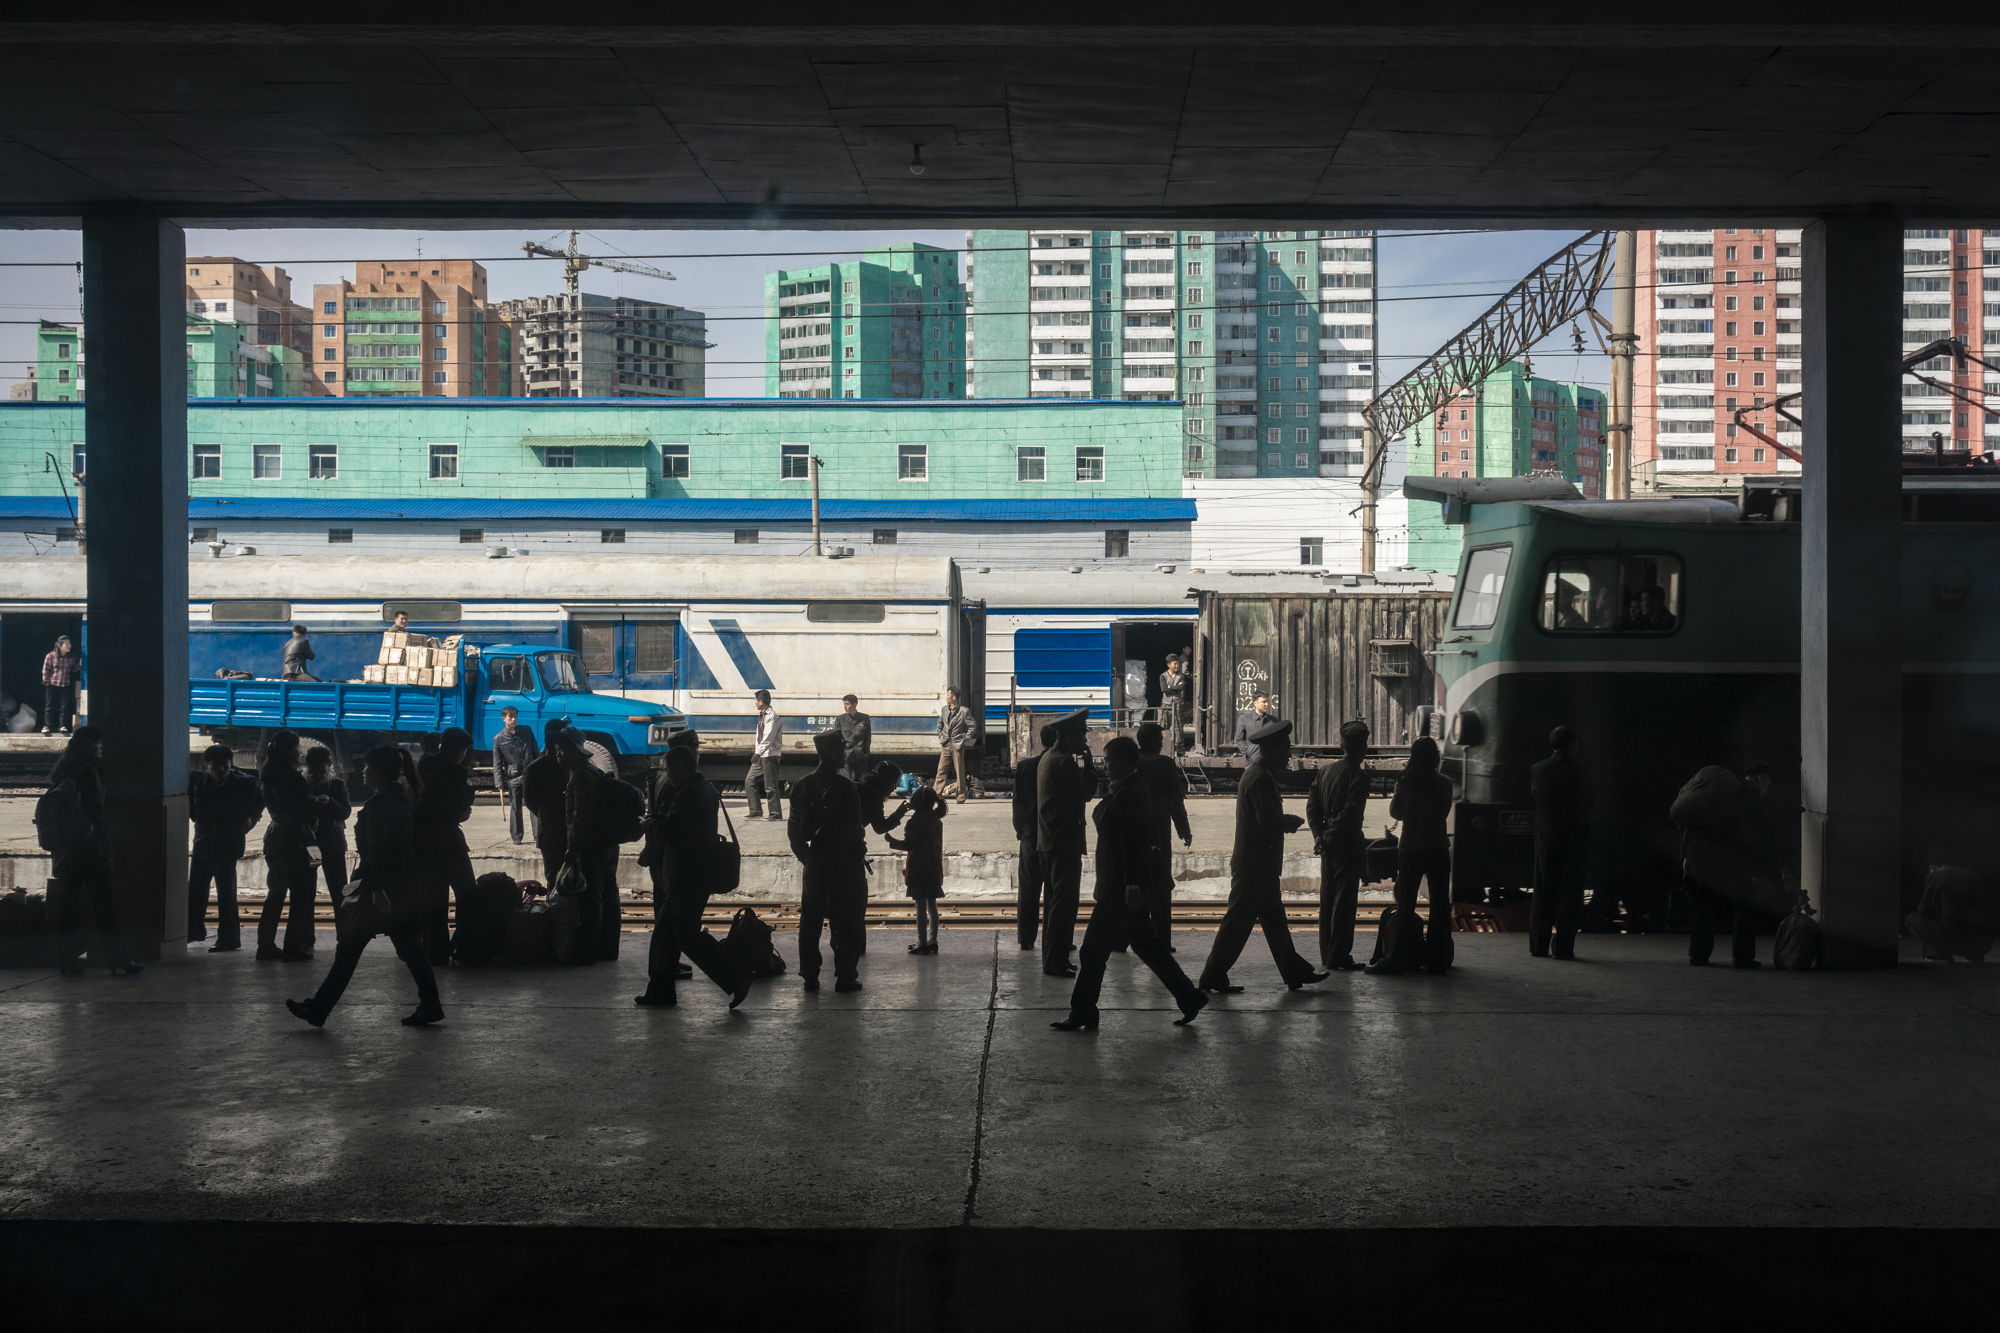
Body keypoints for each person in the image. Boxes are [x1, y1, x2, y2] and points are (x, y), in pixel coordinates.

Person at [1052, 735, 1208, 1031]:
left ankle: (1083, 1012)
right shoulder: (1125, 788)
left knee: (1092, 950)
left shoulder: (1130, 792)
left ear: (1123, 761)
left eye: (1108, 760)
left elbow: (1133, 842)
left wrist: (1131, 885)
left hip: (1120, 889)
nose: (1105, 765)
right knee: (1148, 947)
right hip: (1122, 885)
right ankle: (1190, 997)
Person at [285, 745, 442, 1028]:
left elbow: (380, 850)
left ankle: (319, 1009)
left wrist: (377, 888)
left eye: (367, 767)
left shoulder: (380, 805)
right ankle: (430, 1005)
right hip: (401, 884)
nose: (363, 772)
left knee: (351, 947)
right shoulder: (399, 796)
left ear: (380, 772)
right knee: (409, 948)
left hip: (379, 888)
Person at [1196, 717, 1328, 994]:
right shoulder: (1259, 778)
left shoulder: (1259, 774)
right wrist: (1289, 821)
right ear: (1275, 749)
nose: (1290, 755)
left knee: (1275, 922)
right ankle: (1211, 976)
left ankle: (1295, 973)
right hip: (1255, 865)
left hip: (1259, 864)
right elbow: (1267, 820)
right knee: (1236, 925)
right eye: (1287, 749)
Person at [635, 745, 755, 1009]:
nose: (668, 774)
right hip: (698, 875)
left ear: (678, 767)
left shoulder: (687, 792)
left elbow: (673, 829)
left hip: (685, 877)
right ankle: (660, 992)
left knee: (684, 937)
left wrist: (649, 824)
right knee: (666, 937)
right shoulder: (707, 789)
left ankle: (737, 977)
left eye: (669, 769)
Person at [48, 726, 140, 977]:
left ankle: (66, 961)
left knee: (70, 907)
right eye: (97, 742)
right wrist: (103, 844)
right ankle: (120, 960)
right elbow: (97, 813)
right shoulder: (87, 772)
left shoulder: (64, 770)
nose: (101, 747)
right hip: (89, 848)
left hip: (69, 849)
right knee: (104, 907)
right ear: (83, 746)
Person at [1682, 760, 1785, 969]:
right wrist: (1783, 867)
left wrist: (1685, 854)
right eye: (1767, 785)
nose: (1766, 791)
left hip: (1696, 846)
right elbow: (1764, 830)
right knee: (1745, 900)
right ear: (1761, 778)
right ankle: (1743, 957)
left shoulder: (1720, 789)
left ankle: (1698, 955)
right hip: (1721, 848)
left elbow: (1690, 818)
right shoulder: (1747, 792)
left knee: (1705, 897)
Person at [788, 728, 868, 992]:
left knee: (810, 922)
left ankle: (810, 975)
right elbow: (856, 830)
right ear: (832, 753)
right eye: (842, 750)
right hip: (844, 865)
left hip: (816, 862)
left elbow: (795, 832)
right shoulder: (847, 787)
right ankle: (845, 977)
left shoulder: (801, 785)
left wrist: (808, 860)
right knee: (846, 922)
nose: (845, 755)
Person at [1371, 736, 1454, 975]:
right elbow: (1443, 811)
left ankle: (1401, 956)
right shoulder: (1445, 783)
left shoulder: (1405, 782)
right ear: (1436, 758)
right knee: (1439, 906)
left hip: (1411, 849)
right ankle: (1438, 960)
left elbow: (1396, 812)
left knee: (1406, 905)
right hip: (1438, 848)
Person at [1036, 708, 1098, 978]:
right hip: (1063, 841)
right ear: (1071, 736)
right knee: (1064, 904)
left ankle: (1055, 958)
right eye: (1082, 735)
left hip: (1049, 840)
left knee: (1055, 903)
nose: (1085, 740)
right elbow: (1086, 793)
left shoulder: (1048, 758)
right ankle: (1055, 962)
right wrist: (1091, 766)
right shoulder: (1064, 762)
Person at [1307, 719, 1372, 971]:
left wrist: (1319, 836)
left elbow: (1312, 806)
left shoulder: (1325, 772)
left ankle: (1326, 954)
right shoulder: (1360, 776)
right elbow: (1350, 815)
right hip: (1347, 844)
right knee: (1344, 904)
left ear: (1341, 745)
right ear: (1363, 748)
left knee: (1327, 900)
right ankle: (1339, 956)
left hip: (1328, 846)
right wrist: (1328, 837)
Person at [186, 743, 261, 951]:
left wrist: (250, 819)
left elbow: (259, 802)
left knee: (226, 895)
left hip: (227, 846)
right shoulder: (197, 779)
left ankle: (228, 939)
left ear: (231, 764)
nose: (220, 770)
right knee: (195, 892)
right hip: (203, 844)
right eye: (216, 765)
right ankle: (193, 932)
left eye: (225, 765)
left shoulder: (244, 783)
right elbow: (191, 806)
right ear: (206, 764)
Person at [414, 727, 478, 966]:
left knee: (435, 900)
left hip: (423, 843)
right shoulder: (457, 775)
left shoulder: (425, 764)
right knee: (467, 896)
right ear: (461, 751)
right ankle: (466, 949)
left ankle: (436, 953)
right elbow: (459, 811)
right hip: (449, 841)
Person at [554, 726, 617, 965]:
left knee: (592, 899)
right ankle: (607, 949)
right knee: (605, 895)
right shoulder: (590, 771)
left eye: (562, 751)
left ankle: (587, 952)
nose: (558, 755)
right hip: (604, 844)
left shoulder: (580, 776)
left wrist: (573, 848)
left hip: (591, 847)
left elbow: (580, 817)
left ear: (574, 751)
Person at [256, 728, 319, 962]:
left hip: (275, 836)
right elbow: (301, 811)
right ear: (288, 751)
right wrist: (314, 820)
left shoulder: (268, 776)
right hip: (297, 838)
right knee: (301, 894)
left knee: (276, 893)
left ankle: (265, 945)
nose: (299, 752)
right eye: (296, 748)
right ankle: (293, 946)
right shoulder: (293, 779)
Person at [1529, 725, 1589, 960]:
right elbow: (1590, 801)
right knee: (1569, 897)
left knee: (1543, 895)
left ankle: (1538, 946)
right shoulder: (1581, 770)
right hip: (1574, 842)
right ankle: (1563, 948)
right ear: (1572, 744)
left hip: (1545, 842)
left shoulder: (1537, 769)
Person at [1134, 721, 1192, 949]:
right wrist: (1184, 830)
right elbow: (1174, 801)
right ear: (1151, 741)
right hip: (1159, 833)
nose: (1161, 743)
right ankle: (1161, 940)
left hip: (1135, 834)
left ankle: (1129, 938)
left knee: (1135, 884)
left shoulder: (1132, 762)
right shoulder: (1165, 764)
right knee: (1160, 887)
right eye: (1159, 739)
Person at [1012, 724, 1056, 952]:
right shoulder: (1060, 764)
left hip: (1029, 835)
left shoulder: (1025, 766)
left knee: (1028, 889)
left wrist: (1020, 830)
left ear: (1041, 741)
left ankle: (1026, 940)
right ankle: (1055, 938)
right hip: (1053, 838)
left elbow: (1017, 802)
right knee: (1054, 891)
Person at [890, 787, 948, 955]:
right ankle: (933, 941)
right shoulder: (937, 820)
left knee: (920, 906)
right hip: (933, 868)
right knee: (932, 905)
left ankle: (921, 942)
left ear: (916, 803)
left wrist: (892, 841)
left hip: (917, 869)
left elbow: (910, 845)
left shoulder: (914, 822)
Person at [1908, 859, 1997, 964]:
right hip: (1984, 944)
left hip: (1953, 943)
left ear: (1931, 867)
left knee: (1911, 919)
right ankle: (1974, 956)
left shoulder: (1935, 875)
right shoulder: (1975, 875)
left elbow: (1923, 911)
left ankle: (1939, 955)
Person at [521, 718, 571, 881]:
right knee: (559, 878)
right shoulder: (570, 767)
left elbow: (531, 802)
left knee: (555, 878)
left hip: (551, 832)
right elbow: (530, 802)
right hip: (558, 832)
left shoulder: (534, 769)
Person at [304, 745, 353, 912]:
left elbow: (345, 812)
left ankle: (344, 934)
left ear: (329, 768)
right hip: (309, 843)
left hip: (333, 842)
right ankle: (306, 936)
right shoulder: (301, 784)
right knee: (307, 891)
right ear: (306, 768)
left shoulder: (337, 785)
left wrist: (330, 803)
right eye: (313, 774)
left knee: (339, 890)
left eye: (322, 774)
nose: (318, 777)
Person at [492, 705, 539, 845]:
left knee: (535, 806)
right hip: (513, 777)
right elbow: (497, 763)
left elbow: (535, 752)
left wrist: (540, 770)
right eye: (510, 717)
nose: (514, 719)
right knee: (515, 808)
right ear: (504, 719)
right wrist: (499, 782)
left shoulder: (526, 730)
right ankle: (517, 837)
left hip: (530, 774)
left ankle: (538, 836)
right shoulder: (498, 739)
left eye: (515, 717)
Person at [937, 686, 978, 802]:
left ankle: (960, 796)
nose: (946, 697)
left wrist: (965, 737)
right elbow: (939, 724)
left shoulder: (964, 711)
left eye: (948, 695)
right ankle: (936, 794)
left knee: (959, 771)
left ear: (954, 697)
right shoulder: (945, 709)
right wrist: (940, 734)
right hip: (946, 743)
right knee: (941, 770)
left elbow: (972, 726)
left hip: (958, 744)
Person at [747, 689, 784, 820]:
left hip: (770, 754)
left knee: (770, 785)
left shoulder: (772, 716)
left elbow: (768, 737)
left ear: (761, 702)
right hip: (762, 754)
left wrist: (757, 752)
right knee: (750, 780)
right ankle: (756, 810)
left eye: (756, 700)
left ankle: (775, 814)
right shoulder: (763, 715)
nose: (755, 703)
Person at [859, 760, 910, 843]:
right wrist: (900, 812)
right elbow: (880, 827)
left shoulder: (861, 786)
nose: (894, 788)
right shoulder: (873, 797)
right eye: (893, 783)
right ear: (883, 780)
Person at [41, 634, 80, 735]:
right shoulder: (51, 656)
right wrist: (47, 682)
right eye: (66, 644)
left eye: (69, 644)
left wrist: (79, 666)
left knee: (64, 706)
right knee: (50, 705)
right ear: (60, 646)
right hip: (52, 683)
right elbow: (46, 669)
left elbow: (71, 669)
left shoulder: (71, 657)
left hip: (65, 684)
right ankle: (47, 726)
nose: (69, 646)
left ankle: (62, 726)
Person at [1157, 653, 1191, 753]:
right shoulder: (1163, 676)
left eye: (1177, 664)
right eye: (1174, 664)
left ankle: (1180, 751)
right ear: (1168, 665)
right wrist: (1175, 688)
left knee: (1178, 728)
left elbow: (1182, 687)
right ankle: (1163, 750)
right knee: (1164, 728)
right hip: (1166, 705)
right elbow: (1164, 689)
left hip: (1178, 704)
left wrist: (1170, 687)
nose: (1177, 666)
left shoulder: (1181, 676)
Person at [836, 694, 872, 784]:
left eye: (847, 704)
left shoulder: (864, 718)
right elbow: (836, 739)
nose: (845, 707)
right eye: (844, 704)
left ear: (854, 705)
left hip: (860, 756)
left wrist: (866, 753)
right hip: (845, 756)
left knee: (862, 782)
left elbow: (867, 738)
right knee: (845, 782)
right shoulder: (840, 719)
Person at [1232, 693, 1276, 766]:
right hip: (1252, 763)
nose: (1267, 704)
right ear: (1255, 703)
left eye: (1268, 701)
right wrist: (1248, 753)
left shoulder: (1273, 720)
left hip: (1269, 763)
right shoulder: (1244, 719)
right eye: (1264, 702)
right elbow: (1239, 739)